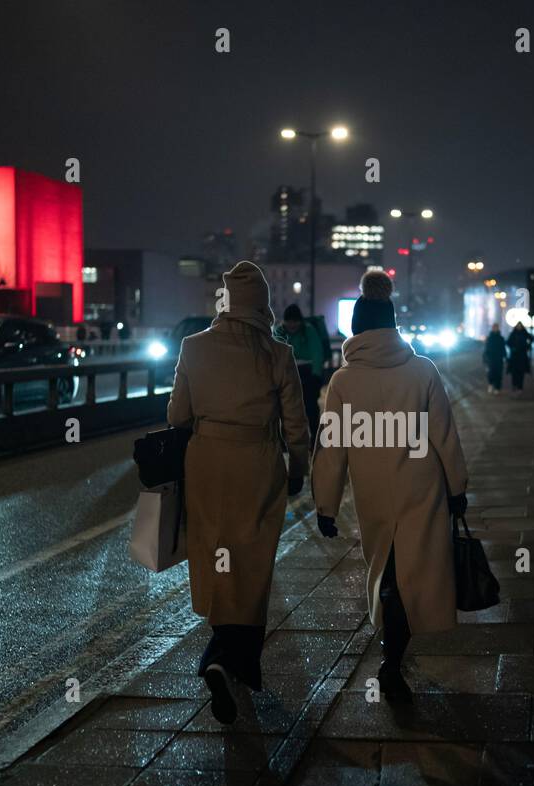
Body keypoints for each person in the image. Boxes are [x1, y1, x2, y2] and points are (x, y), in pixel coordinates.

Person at [312, 269, 468, 700]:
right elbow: (444, 435)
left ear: (356, 328)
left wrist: (325, 504)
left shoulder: (344, 381)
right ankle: (393, 659)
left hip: (373, 492)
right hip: (422, 486)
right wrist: (458, 486)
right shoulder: (422, 371)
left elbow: (331, 449)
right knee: (411, 571)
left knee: (387, 571)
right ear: (394, 324)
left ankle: (391, 659)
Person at [166, 260, 311, 723]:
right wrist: (299, 469)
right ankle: (224, 659)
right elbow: (296, 424)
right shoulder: (277, 354)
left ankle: (228, 658)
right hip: (257, 465)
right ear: (263, 304)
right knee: (250, 567)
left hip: (206, 465)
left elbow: (176, 416)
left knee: (216, 555)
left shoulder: (193, 347)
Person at [276, 303, 325, 448]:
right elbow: (275, 353)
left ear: (300, 321)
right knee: (286, 409)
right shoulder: (279, 331)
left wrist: (316, 376)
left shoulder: (308, 331)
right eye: (289, 321)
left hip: (307, 373)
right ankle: (285, 441)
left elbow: (317, 353)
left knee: (310, 408)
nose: (292, 325)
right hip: (288, 373)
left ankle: (314, 440)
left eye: (295, 321)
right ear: (284, 321)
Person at [506, 322, 532, 392]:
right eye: (518, 326)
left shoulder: (525, 333)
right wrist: (513, 348)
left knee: (521, 372)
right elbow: (508, 342)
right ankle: (514, 385)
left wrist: (527, 347)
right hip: (514, 356)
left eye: (520, 326)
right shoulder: (513, 334)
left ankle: (520, 386)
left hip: (522, 356)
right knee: (514, 372)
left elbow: (530, 339)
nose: (519, 327)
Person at [482, 322, 506, 394]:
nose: (495, 329)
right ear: (492, 328)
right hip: (491, 359)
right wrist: (485, 358)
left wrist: (504, 357)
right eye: (494, 327)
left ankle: (497, 388)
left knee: (498, 374)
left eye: (496, 327)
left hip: (499, 359)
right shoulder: (489, 338)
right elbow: (486, 349)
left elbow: (503, 348)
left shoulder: (501, 338)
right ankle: (491, 385)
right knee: (491, 373)